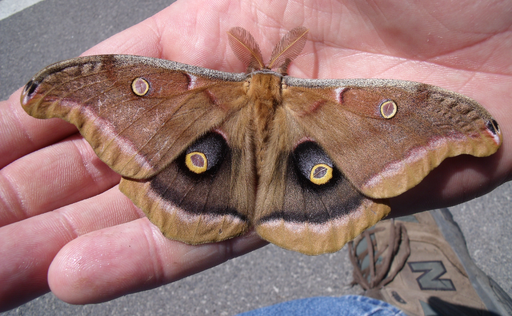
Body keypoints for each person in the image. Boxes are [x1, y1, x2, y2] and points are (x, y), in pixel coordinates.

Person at [0, 0, 511, 313]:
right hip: (263, 165)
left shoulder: (214, 90)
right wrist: (78, 88)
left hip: (243, 159)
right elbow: (115, 87)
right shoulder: (308, 98)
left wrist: (451, 122)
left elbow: (412, 114)